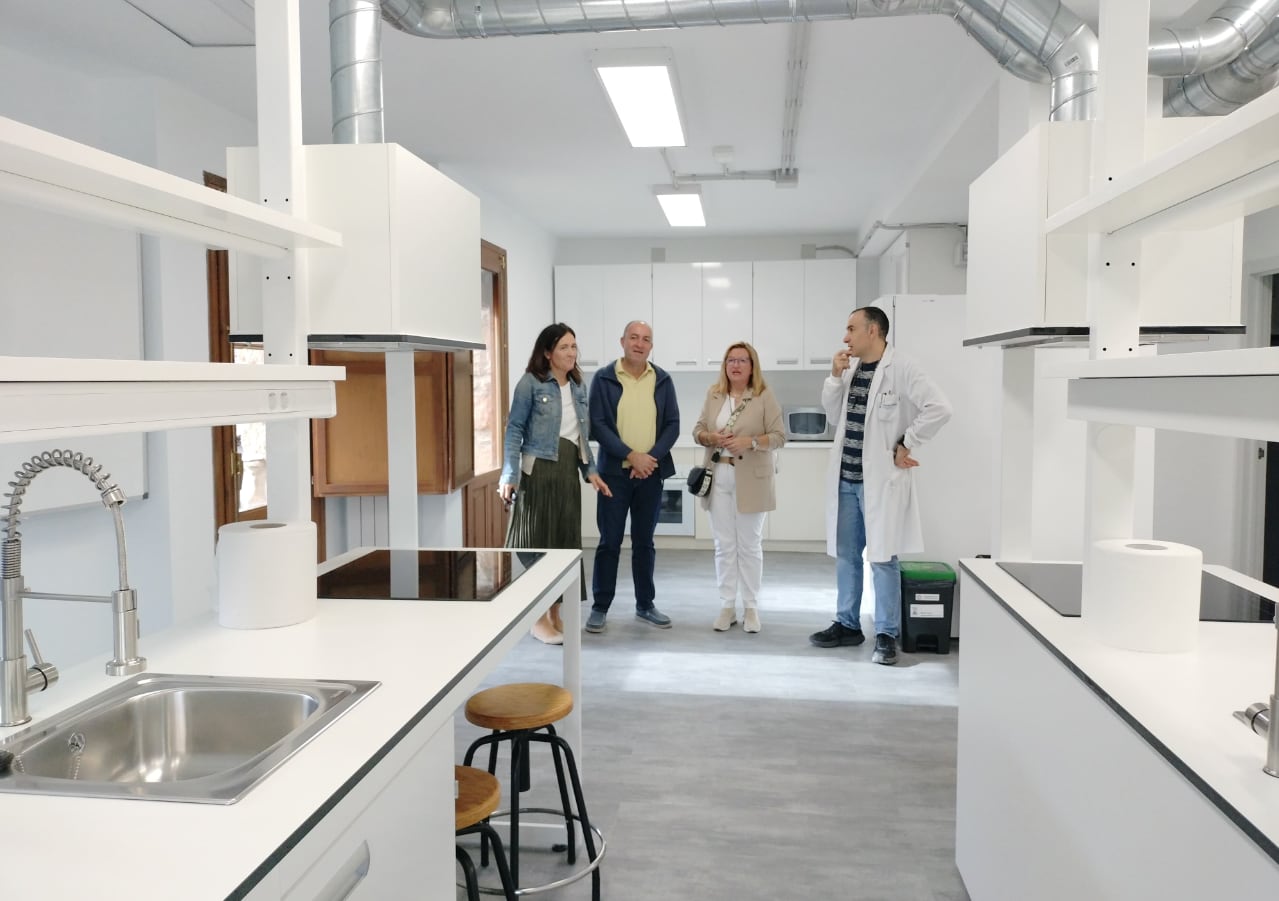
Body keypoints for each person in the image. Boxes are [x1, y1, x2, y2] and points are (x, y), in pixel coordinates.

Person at [809, 306, 951, 665]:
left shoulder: (902, 368)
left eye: (851, 328)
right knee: (847, 557)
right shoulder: (852, 368)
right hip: (846, 479)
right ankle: (847, 624)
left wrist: (908, 440)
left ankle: (886, 633)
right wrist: (834, 377)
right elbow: (832, 415)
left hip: (880, 483)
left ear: (873, 331)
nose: (845, 336)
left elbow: (939, 408)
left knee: (883, 558)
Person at [500, 323, 612, 645]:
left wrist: (589, 470)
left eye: (574, 346)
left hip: (566, 474)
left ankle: (554, 614)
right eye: (564, 347)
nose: (571, 353)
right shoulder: (530, 384)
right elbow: (514, 431)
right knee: (536, 544)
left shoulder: (578, 385)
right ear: (547, 352)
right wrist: (510, 475)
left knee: (562, 546)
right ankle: (537, 618)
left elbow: (580, 435)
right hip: (538, 473)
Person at [586, 320, 680, 633]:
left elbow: (673, 424)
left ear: (651, 345)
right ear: (622, 341)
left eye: (646, 339)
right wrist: (631, 456)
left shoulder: (662, 379)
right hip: (614, 474)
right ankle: (600, 606)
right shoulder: (604, 378)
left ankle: (645, 605)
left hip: (650, 475)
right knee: (609, 542)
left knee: (644, 542)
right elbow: (598, 424)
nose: (639, 344)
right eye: (634, 338)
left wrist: (649, 459)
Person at [692, 341, 785, 633]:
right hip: (718, 475)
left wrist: (751, 442)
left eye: (742, 360)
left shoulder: (763, 396)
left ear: (752, 365)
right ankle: (727, 605)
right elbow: (697, 431)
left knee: (749, 545)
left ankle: (752, 607)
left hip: (752, 478)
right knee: (724, 544)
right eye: (731, 360)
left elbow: (780, 436)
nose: (735, 365)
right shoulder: (714, 394)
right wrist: (711, 437)